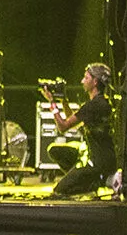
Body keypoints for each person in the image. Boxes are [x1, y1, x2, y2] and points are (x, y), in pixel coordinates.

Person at [41, 64, 117, 197]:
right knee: (55, 150)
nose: (82, 81)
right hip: (95, 155)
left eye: (86, 78)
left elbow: (63, 127)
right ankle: (85, 181)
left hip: (97, 161)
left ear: (95, 82)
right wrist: (63, 100)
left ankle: (92, 182)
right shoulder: (101, 103)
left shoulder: (94, 106)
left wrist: (52, 103)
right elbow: (74, 123)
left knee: (58, 191)